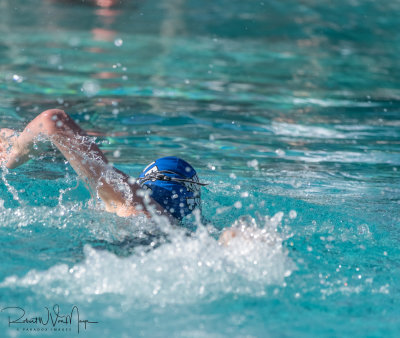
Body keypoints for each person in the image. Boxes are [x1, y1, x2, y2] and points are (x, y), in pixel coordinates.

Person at [0, 109, 243, 244]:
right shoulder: (190, 236)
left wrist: (16, 150)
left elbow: (53, 120)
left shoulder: (133, 201)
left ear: (144, 185)